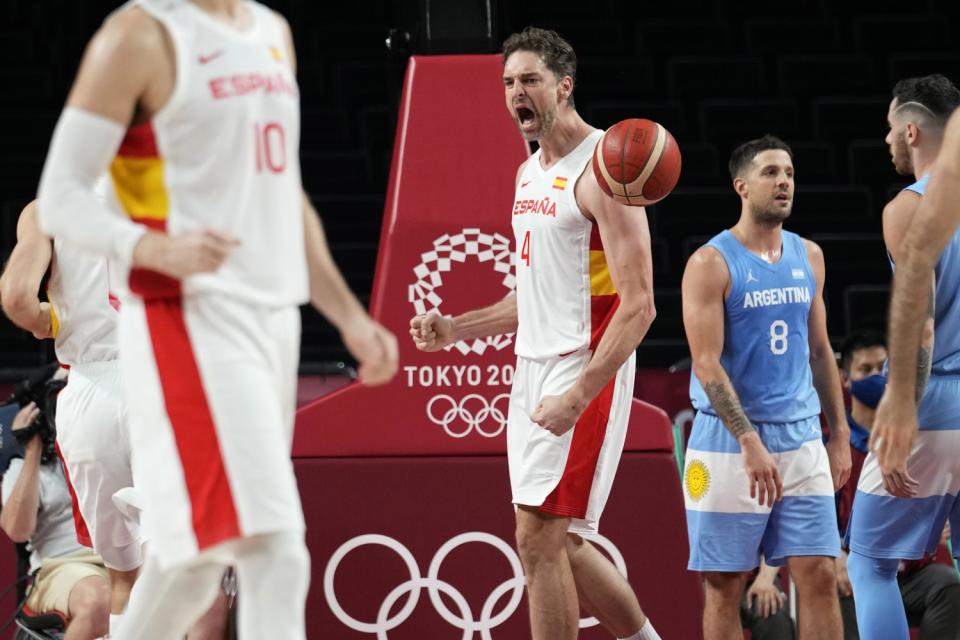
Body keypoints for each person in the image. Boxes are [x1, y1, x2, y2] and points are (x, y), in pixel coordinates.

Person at [34, 0, 398, 638]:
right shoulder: (138, 35)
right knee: (275, 551)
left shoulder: (271, 30)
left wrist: (349, 317)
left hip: (269, 320)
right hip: (184, 320)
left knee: (193, 562)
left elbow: (282, 194)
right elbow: (59, 196)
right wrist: (151, 248)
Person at [411, 26, 660, 640]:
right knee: (561, 542)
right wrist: (455, 327)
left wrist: (578, 396)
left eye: (529, 80)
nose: (515, 93)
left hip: (585, 366)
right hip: (530, 369)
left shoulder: (608, 169)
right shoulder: (528, 175)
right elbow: (532, 296)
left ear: (564, 86)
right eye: (507, 83)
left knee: (538, 536)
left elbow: (641, 306)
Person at [681, 135, 851, 639]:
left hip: (800, 440)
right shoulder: (710, 263)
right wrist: (749, 440)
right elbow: (707, 365)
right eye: (771, 173)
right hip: (724, 446)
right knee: (725, 584)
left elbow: (820, 353)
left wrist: (838, 433)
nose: (784, 183)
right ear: (741, 186)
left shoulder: (810, 256)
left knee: (819, 573)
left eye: (790, 174)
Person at [847, 75, 960, 640]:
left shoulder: (908, 208)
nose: (888, 140)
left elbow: (921, 330)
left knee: (869, 562)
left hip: (936, 400)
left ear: (911, 130)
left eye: (891, 129)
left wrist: (900, 411)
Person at [0, 198, 142, 636]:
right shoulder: (179, 189)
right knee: (182, 564)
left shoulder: (46, 209)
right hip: (161, 379)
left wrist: (50, 319)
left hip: (88, 389)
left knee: (123, 575)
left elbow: (17, 299)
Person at [836, 331, 960, 639]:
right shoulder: (835, 446)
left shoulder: (916, 435)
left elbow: (924, 327)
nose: (878, 377)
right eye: (866, 370)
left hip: (911, 569)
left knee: (943, 584)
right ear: (845, 378)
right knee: (854, 570)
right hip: (846, 572)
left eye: (883, 367)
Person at [1, 402, 112, 640]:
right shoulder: (22, 468)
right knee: (99, 600)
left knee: (202, 591)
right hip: (61, 566)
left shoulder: (106, 451)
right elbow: (16, 531)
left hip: (124, 557)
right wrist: (32, 450)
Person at [740, 558, 796, 640]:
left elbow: (774, 546)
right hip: (718, 579)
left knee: (774, 614)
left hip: (756, 577)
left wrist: (765, 578)